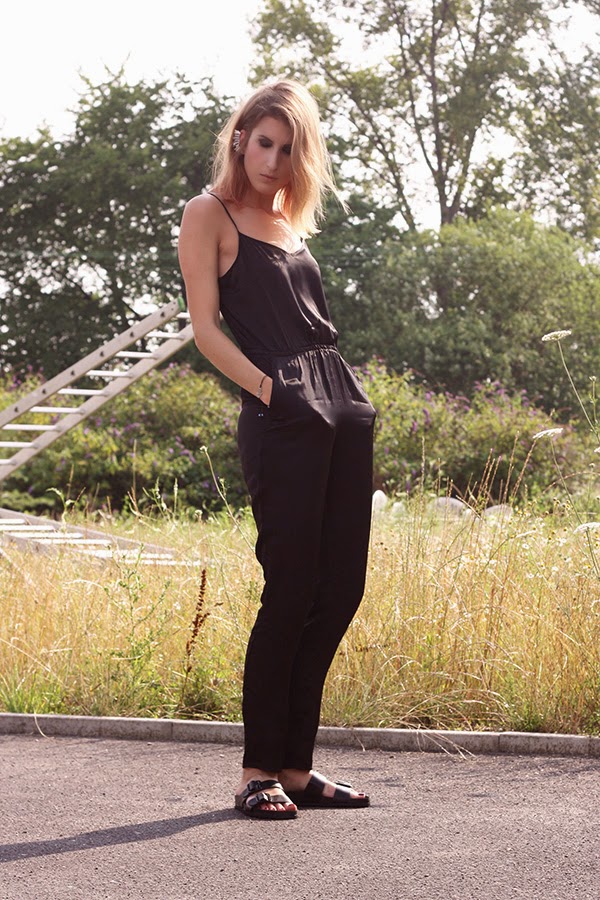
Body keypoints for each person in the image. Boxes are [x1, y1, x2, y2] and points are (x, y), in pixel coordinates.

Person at [178, 80, 376, 820]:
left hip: (340, 402)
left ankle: (297, 767)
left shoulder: (290, 219)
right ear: (240, 139)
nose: (273, 159)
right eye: (264, 143)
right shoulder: (210, 213)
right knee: (290, 591)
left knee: (341, 588)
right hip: (282, 410)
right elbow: (206, 329)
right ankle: (257, 770)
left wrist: (348, 403)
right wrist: (272, 393)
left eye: (288, 149)